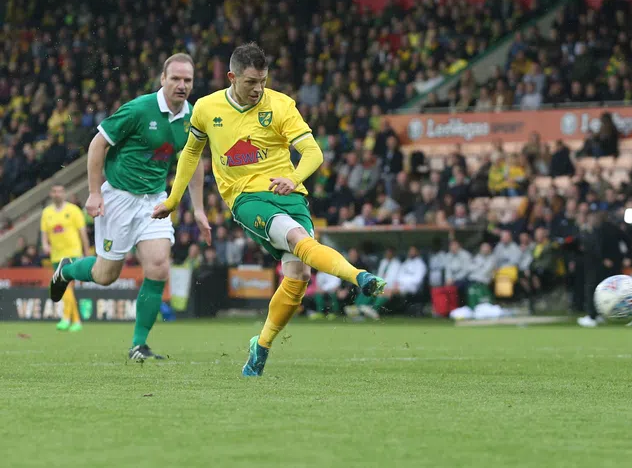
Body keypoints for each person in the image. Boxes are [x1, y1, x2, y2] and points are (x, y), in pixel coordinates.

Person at [153, 43, 385, 376]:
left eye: (263, 80)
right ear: (232, 77)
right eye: (250, 82)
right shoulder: (206, 108)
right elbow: (190, 155)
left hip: (289, 193)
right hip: (246, 198)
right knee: (295, 239)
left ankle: (260, 346)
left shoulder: (280, 105)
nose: (258, 88)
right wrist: (174, 200)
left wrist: (293, 178)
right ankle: (358, 276)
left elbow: (313, 153)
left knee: (300, 275)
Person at [49, 53, 210, 360]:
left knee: (160, 266)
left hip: (154, 200)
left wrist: (199, 209)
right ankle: (67, 270)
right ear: (162, 79)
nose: (182, 85)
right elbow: (98, 143)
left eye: (187, 80)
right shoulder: (139, 109)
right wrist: (95, 193)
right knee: (106, 274)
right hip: (119, 198)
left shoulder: (193, 117)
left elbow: (194, 162)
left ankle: (139, 345)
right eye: (175, 78)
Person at [41, 184, 90, 332]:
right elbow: (44, 234)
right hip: (56, 255)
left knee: (67, 286)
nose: (58, 194)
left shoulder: (73, 210)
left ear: (65, 194)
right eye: (55, 191)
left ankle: (66, 318)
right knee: (65, 287)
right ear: (51, 194)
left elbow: (83, 233)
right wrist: (44, 245)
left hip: (73, 254)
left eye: (60, 191)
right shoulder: (47, 212)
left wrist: (86, 252)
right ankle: (76, 321)